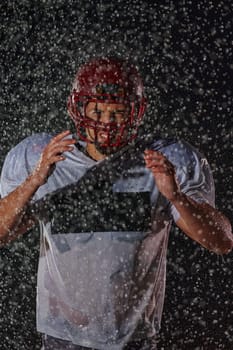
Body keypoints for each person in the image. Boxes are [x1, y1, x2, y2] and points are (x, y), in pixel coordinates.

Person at [0, 57, 232, 350]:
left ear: (136, 112)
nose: (107, 123)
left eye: (118, 112)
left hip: (135, 338)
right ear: (77, 108)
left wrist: (177, 196)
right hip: (63, 337)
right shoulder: (41, 156)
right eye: (97, 110)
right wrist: (33, 182)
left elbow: (221, 241)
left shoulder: (166, 159)